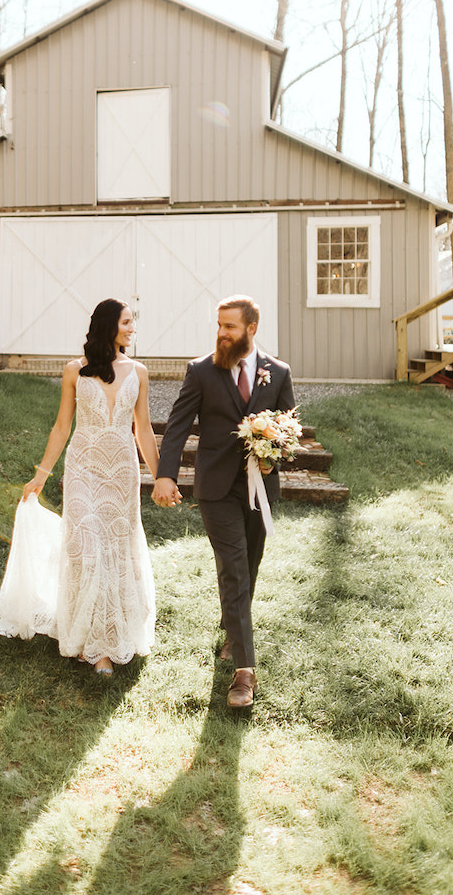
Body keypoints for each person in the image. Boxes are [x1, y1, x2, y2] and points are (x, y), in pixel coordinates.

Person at [153, 295, 295, 709]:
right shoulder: (201, 371)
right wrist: (165, 474)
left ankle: (234, 628)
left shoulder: (278, 372)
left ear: (251, 328)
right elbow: (178, 426)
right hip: (215, 486)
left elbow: (290, 432)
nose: (221, 333)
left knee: (249, 563)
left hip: (259, 487)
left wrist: (275, 457)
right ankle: (244, 674)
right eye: (218, 325)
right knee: (233, 567)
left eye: (229, 326)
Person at [8, 298, 161, 676]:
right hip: (83, 468)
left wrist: (161, 477)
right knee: (86, 547)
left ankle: (111, 635)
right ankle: (91, 646)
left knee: (115, 549)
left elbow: (142, 430)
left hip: (121, 471)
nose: (132, 328)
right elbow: (62, 426)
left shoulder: (139, 372)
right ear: (109, 325)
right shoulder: (74, 371)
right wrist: (41, 475)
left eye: (132, 323)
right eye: (126, 322)